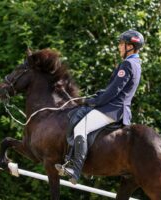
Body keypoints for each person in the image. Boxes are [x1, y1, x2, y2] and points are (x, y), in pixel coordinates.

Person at [55, 29, 144, 184]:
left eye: (122, 44)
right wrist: (97, 96)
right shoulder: (136, 64)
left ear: (130, 46)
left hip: (113, 109)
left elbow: (114, 91)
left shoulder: (128, 64)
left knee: (80, 128)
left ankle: (75, 169)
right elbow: (115, 88)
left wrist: (94, 102)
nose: (119, 47)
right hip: (117, 108)